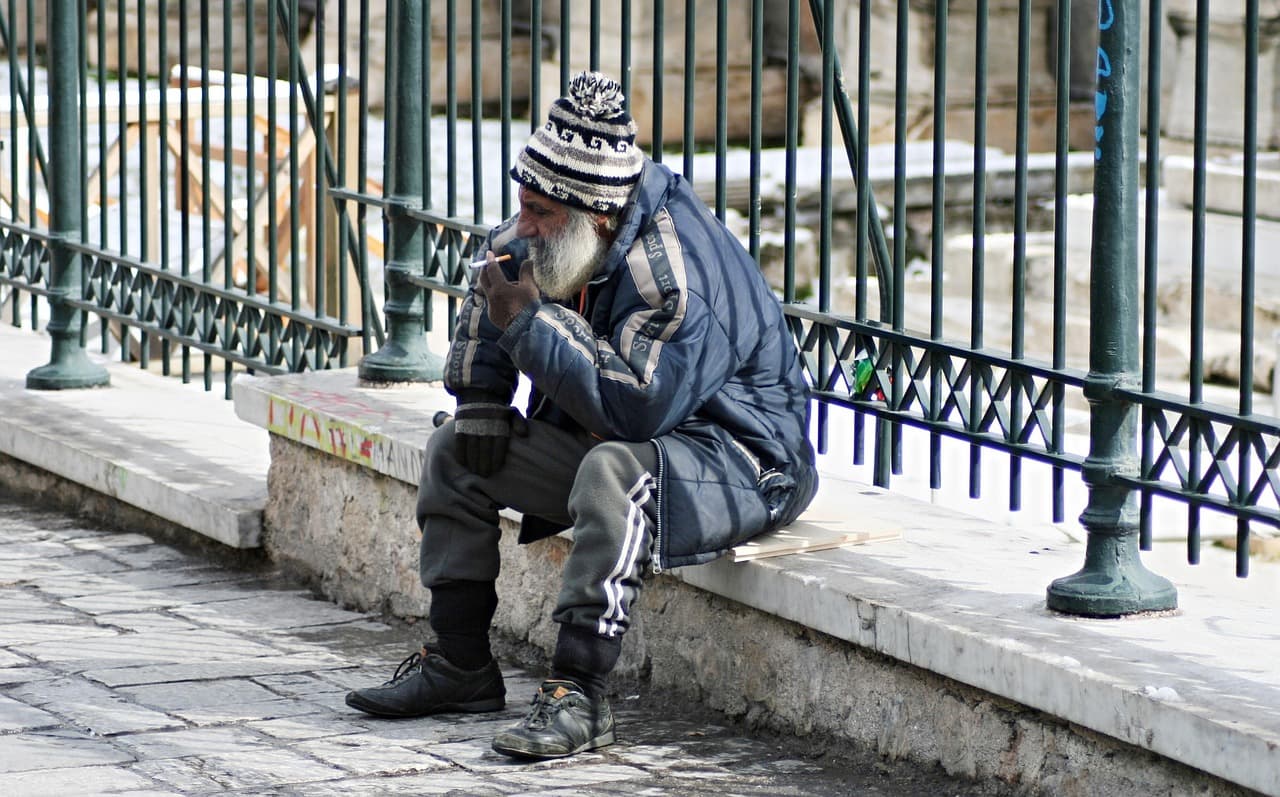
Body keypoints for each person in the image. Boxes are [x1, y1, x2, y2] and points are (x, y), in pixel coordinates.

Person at [345, 71, 818, 760]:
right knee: (456, 452)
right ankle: (459, 665)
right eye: (523, 202)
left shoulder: (677, 269)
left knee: (611, 470)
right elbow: (499, 272)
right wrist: (480, 401)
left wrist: (531, 321)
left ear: (595, 214)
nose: (523, 222)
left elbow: (636, 408)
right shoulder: (563, 225)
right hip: (627, 439)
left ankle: (578, 695)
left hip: (742, 460)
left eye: (539, 211)